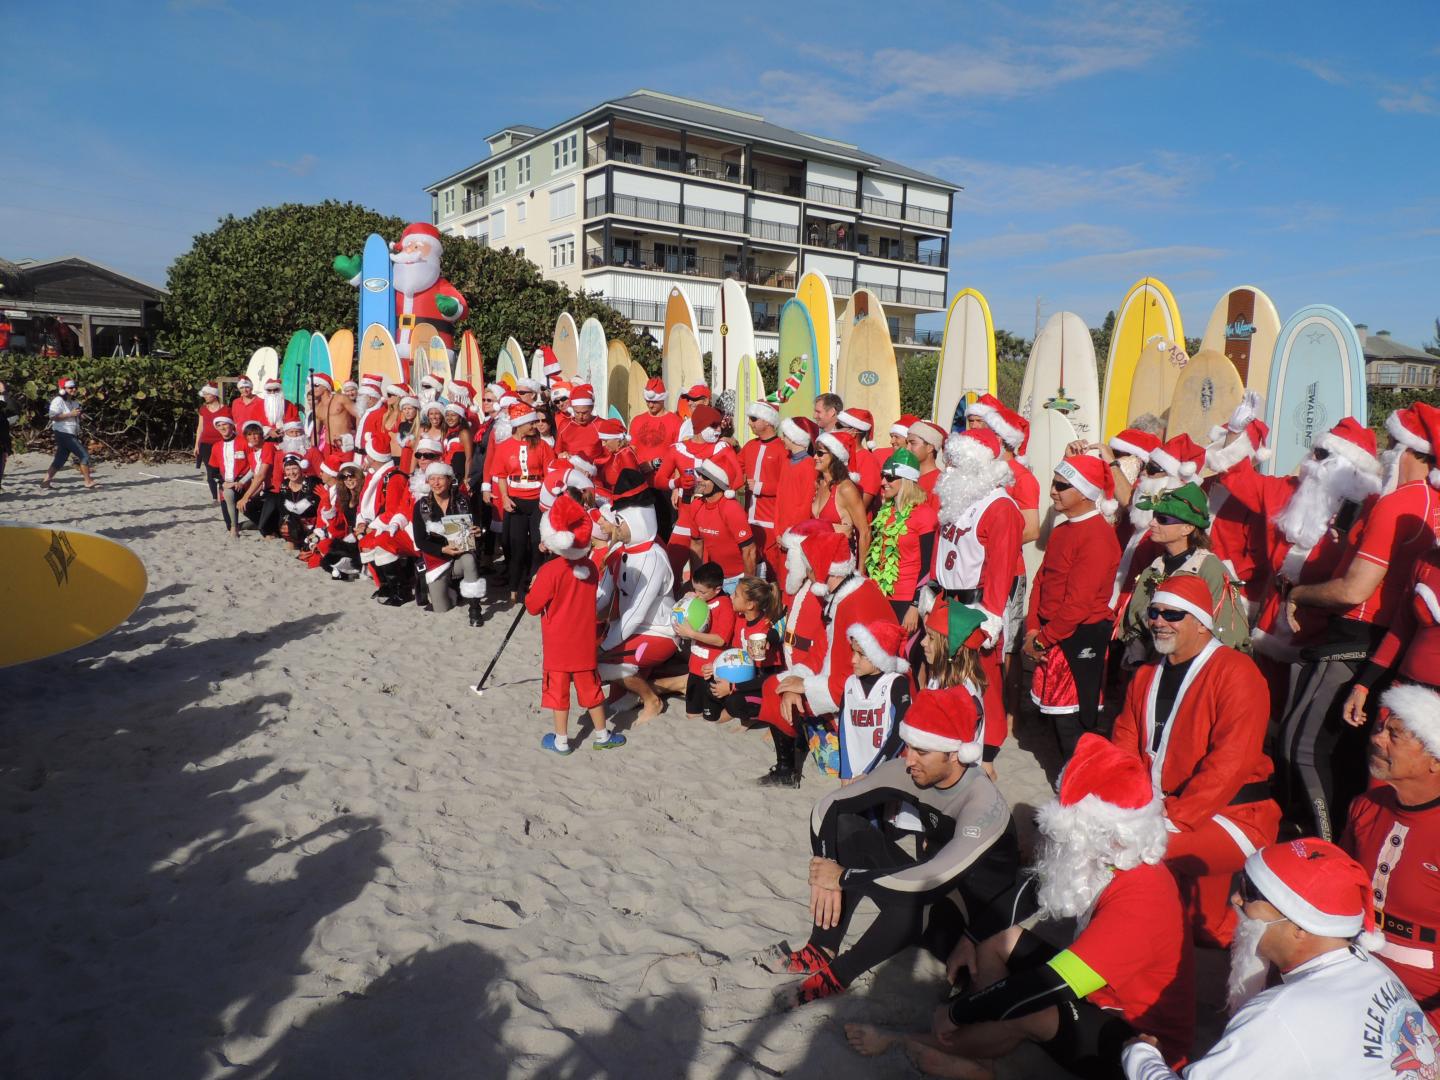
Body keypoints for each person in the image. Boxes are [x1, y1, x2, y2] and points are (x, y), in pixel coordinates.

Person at [876, 735, 1193, 1079]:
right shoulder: (1111, 860)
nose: (1055, 837)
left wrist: (957, 1012)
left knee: (1030, 1011)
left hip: (1141, 1041)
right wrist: (969, 937)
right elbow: (1032, 888)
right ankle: (982, 1054)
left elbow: (1047, 986)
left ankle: (923, 1040)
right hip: (1100, 994)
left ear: (1098, 832)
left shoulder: (1141, 900)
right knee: (998, 940)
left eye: (1065, 827)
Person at [761, 689, 1028, 1008]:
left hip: (972, 927)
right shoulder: (912, 770)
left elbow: (929, 879)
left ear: (954, 754)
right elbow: (827, 807)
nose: (909, 759)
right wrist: (825, 865)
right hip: (934, 888)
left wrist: (843, 878)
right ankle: (821, 947)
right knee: (849, 830)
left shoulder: (982, 804)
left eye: (921, 751)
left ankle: (839, 975)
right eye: (909, 746)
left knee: (916, 895)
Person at [1122, 838, 1439, 1079]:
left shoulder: (1282, 1014)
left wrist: (1141, 1056)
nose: (1235, 898)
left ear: (1301, 927)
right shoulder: (1372, 969)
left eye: (1251, 893)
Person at [1282, 402, 1440, 840]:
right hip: (1391, 655)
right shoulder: (1429, 507)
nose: (1386, 453)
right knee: (1361, 763)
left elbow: (1355, 590)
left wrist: (1298, 594)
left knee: (1304, 748)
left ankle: (1320, 848)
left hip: (1357, 636)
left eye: (1391, 444)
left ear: (1408, 450)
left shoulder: (1398, 503)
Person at [1110, 574, 1281, 948]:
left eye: (1173, 614)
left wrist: (1169, 818)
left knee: (1128, 856)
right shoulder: (1145, 676)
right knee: (1199, 926)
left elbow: (1231, 763)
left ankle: (1119, 961)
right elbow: (1123, 747)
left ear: (1201, 622)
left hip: (1235, 815)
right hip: (1168, 806)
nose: (1159, 621)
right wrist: (1124, 805)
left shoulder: (1237, 672)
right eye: (1154, 612)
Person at [760, 530, 898, 783]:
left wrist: (803, 686)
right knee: (778, 685)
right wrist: (797, 678)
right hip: (841, 681)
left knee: (773, 688)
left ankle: (786, 770)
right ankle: (789, 761)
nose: (808, 574)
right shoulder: (845, 594)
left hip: (864, 694)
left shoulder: (851, 604)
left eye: (810, 567)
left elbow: (849, 677)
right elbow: (822, 649)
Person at [1342, 683, 1440, 1026]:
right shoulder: (1364, 807)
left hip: (1427, 1001)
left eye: (1394, 735)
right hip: (1355, 973)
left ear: (1434, 760)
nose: (1377, 739)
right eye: (1381, 728)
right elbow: (1338, 892)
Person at [933, 429, 1023, 763]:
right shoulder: (957, 498)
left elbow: (1001, 569)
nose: (948, 469)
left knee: (981, 679)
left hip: (976, 604)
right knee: (948, 673)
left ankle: (987, 747)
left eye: (956, 462)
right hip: (947, 599)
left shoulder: (1000, 507)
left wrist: (991, 617)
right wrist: (932, 589)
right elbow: (943, 550)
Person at [1026, 455, 1121, 762]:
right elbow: (1042, 580)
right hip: (1051, 635)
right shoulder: (1064, 528)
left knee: (1073, 724)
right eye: (1054, 483)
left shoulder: (1097, 536)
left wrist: (1042, 639)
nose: (1052, 491)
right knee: (1057, 721)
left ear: (1083, 492)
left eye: (1061, 485)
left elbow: (1077, 605)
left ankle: (1079, 789)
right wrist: (1031, 629)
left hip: (1076, 637)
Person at [528, 493, 626, 754]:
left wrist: (534, 586)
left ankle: (561, 740)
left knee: (558, 692)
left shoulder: (550, 572)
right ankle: (602, 735)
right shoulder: (591, 568)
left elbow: (532, 606)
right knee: (591, 688)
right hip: (583, 641)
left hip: (558, 644)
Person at [1117, 482, 1249, 664]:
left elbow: (1230, 632)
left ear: (1188, 528)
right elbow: (1136, 622)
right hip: (1156, 666)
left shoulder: (1209, 568)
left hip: (1197, 667)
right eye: (1154, 516)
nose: (1152, 523)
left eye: (1163, 519)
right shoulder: (1154, 569)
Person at [595, 469, 679, 724]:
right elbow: (603, 596)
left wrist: (605, 645)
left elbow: (638, 611)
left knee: (602, 664)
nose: (613, 528)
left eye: (618, 522)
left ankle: (652, 698)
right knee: (593, 660)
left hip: (658, 631)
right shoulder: (619, 552)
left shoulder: (654, 557)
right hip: (628, 628)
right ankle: (640, 690)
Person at [492, 401, 556, 603]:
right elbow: (501, 475)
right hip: (516, 500)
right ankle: (513, 586)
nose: (535, 426)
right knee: (516, 545)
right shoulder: (504, 447)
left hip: (538, 500)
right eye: (531, 423)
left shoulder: (543, 446)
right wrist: (504, 497)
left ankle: (535, 582)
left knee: (539, 543)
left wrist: (548, 501)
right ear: (519, 424)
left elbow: (549, 474)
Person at [866, 449, 938, 625]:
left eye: (890, 477)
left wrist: (915, 606)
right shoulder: (885, 512)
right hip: (881, 595)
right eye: (883, 476)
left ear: (906, 481)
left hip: (907, 599)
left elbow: (928, 566)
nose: (883, 482)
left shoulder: (924, 514)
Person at [411, 459, 486, 623]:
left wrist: (479, 532)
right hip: (436, 561)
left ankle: (475, 608)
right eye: (432, 478)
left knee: (469, 559)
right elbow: (420, 541)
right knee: (441, 609)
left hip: (460, 556)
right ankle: (452, 591)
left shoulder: (463, 502)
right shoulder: (421, 506)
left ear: (450, 480)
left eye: (440, 478)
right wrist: (442, 550)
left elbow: (478, 528)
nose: (436, 483)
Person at [836, 620, 911, 781]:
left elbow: (898, 734)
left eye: (861, 654)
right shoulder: (850, 683)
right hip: (854, 774)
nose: (853, 660)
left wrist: (871, 773)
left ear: (879, 656)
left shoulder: (896, 683)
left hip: (883, 771)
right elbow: (843, 730)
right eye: (853, 652)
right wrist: (845, 773)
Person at [707, 575, 784, 725]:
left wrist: (733, 687)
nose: (731, 596)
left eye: (736, 594)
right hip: (744, 674)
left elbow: (767, 679)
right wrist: (715, 666)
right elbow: (735, 654)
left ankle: (761, 717)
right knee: (710, 684)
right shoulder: (740, 619)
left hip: (761, 683)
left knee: (735, 703)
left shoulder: (765, 632)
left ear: (749, 605)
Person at [674, 562, 736, 722]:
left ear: (717, 589)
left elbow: (721, 640)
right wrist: (685, 603)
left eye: (702, 591)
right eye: (695, 589)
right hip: (695, 666)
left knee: (711, 717)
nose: (697, 594)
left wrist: (692, 633)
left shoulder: (725, 606)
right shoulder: (698, 599)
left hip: (711, 669)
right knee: (692, 714)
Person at [689, 449, 756, 591]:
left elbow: (749, 550)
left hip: (741, 577)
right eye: (699, 475)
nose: (699, 479)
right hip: (715, 579)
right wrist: (695, 581)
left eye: (705, 477)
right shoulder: (696, 505)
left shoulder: (731, 508)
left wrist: (747, 587)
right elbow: (696, 545)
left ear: (718, 482)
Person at [740, 397, 786, 578]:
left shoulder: (782, 448)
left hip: (770, 520)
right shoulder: (750, 446)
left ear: (767, 421)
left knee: (772, 571)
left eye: (753, 418)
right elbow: (735, 469)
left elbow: (788, 485)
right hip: (749, 519)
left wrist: (761, 487)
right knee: (751, 567)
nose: (749, 422)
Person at [772, 417, 819, 586]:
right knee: (782, 578)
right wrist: (777, 531)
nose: (782, 439)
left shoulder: (808, 465)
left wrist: (790, 534)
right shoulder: (787, 462)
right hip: (782, 532)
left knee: (795, 576)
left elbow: (806, 505)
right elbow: (779, 499)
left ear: (794, 437)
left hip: (795, 535)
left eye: (785, 435)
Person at [813, 429, 870, 567]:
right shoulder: (819, 483)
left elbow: (865, 532)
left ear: (835, 456)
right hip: (819, 559)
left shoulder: (846, 488)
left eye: (820, 453)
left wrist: (861, 570)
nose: (815, 457)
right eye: (815, 452)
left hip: (840, 565)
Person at [41, 377, 96, 490]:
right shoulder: (58, 400)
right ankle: (88, 481)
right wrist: (70, 414)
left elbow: (75, 415)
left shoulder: (74, 402)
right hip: (63, 432)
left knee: (60, 458)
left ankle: (45, 482)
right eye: (70, 388)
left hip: (71, 433)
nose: (74, 389)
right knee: (84, 455)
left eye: (75, 387)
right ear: (63, 389)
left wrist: (82, 416)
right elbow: (53, 417)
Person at [207, 414, 250, 536]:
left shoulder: (244, 442)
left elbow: (253, 465)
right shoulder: (216, 446)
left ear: (232, 426)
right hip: (226, 485)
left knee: (262, 521)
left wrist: (241, 481)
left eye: (224, 424)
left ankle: (242, 525)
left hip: (244, 484)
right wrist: (223, 483)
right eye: (219, 426)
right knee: (229, 524)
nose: (222, 427)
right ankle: (235, 526)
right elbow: (213, 471)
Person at [274, 454, 320, 554]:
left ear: (301, 468)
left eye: (294, 468)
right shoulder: (284, 485)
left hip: (312, 524)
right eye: (288, 469)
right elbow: (282, 509)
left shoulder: (312, 483)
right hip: (293, 524)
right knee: (286, 525)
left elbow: (319, 507)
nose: (291, 473)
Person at [192, 382, 228, 500]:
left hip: (221, 442)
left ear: (214, 395)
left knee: (223, 469)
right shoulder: (203, 409)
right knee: (210, 471)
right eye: (205, 394)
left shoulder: (226, 409)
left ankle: (223, 494)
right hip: (206, 444)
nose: (205, 396)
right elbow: (200, 427)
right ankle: (214, 497)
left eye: (207, 394)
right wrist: (197, 444)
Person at [906, 419, 947, 500]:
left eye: (913, 443)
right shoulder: (908, 478)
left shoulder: (940, 483)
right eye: (907, 443)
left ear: (929, 448)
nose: (907, 448)